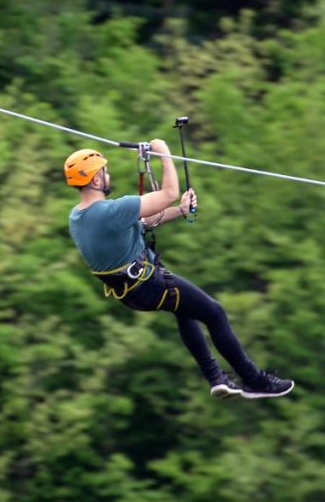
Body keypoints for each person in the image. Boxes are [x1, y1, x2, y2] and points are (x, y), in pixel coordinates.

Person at [65, 142, 294, 400]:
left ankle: (216, 378)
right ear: (96, 179)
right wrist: (164, 153)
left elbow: (142, 221)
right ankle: (255, 381)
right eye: (104, 172)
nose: (108, 175)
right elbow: (169, 192)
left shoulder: (77, 218)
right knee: (215, 313)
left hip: (131, 294)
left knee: (186, 311)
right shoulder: (113, 210)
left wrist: (181, 211)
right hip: (150, 284)